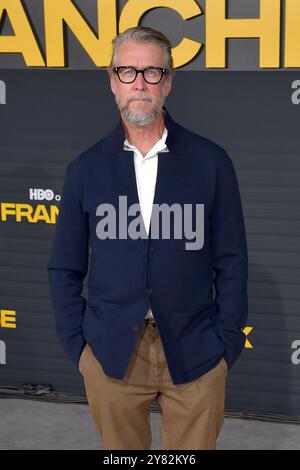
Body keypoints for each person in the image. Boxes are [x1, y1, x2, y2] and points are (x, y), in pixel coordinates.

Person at [47, 26, 248, 450]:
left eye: (152, 72)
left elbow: (231, 260)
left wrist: (226, 345)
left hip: (197, 350)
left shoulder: (212, 162)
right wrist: (81, 350)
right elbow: (65, 267)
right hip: (111, 354)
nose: (139, 82)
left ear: (168, 82)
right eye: (127, 71)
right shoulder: (85, 170)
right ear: (111, 81)